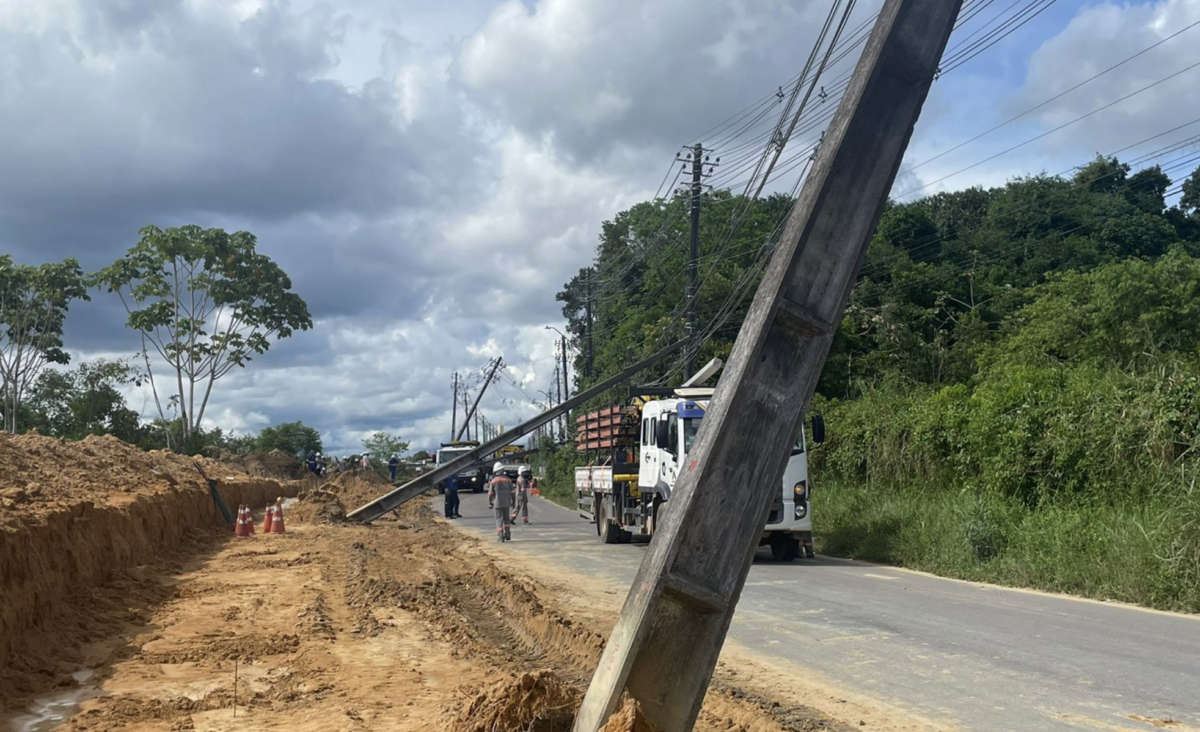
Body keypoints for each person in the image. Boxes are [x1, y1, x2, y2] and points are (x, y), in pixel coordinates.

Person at [488, 462, 515, 542]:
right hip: (507, 503)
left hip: (497, 503)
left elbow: (490, 494)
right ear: (502, 470)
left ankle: (500, 536)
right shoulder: (508, 480)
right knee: (506, 519)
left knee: (499, 519)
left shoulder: (493, 481)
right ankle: (507, 534)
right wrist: (514, 502)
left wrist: (490, 502)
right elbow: (513, 493)